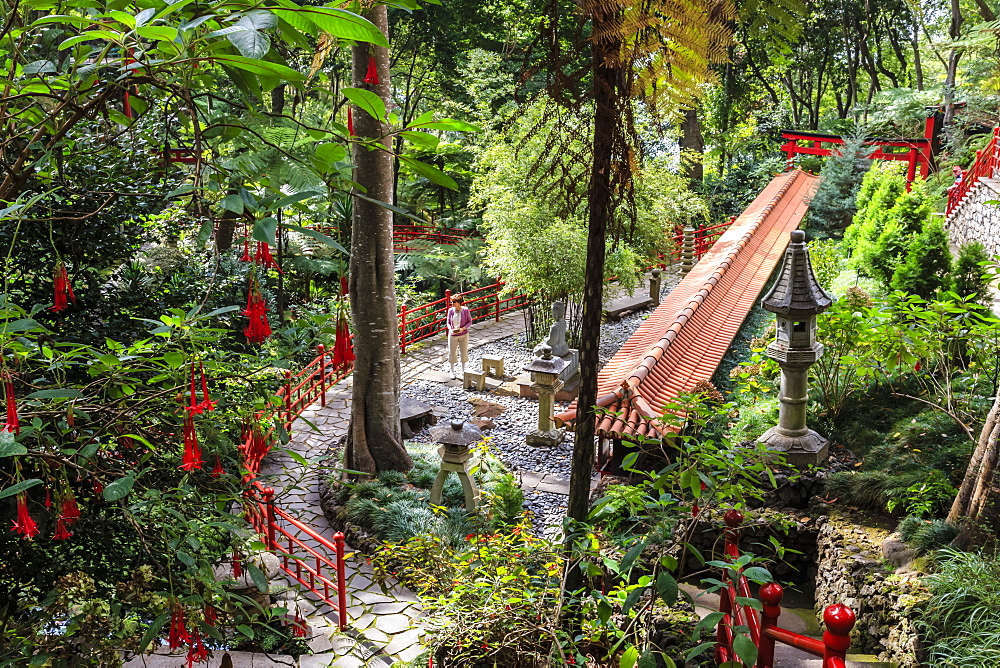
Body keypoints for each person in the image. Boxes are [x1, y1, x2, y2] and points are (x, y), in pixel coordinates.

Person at [446, 294, 471, 379]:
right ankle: (452, 371)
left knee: (463, 352)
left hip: (463, 334)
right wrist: (450, 329)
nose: (452, 303)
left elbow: (469, 322)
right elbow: (448, 322)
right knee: (452, 352)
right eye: (451, 302)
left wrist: (463, 328)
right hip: (453, 334)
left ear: (459, 302)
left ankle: (463, 370)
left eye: (454, 302)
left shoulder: (465, 310)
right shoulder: (450, 311)